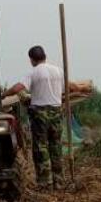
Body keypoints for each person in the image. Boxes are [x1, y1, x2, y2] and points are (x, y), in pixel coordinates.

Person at [6, 46, 65, 189]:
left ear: (32, 59)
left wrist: (3, 94)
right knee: (56, 146)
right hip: (57, 111)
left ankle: (45, 182)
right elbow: (62, 90)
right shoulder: (58, 71)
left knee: (41, 147)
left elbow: (17, 88)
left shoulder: (33, 72)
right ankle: (59, 182)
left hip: (40, 114)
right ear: (45, 56)